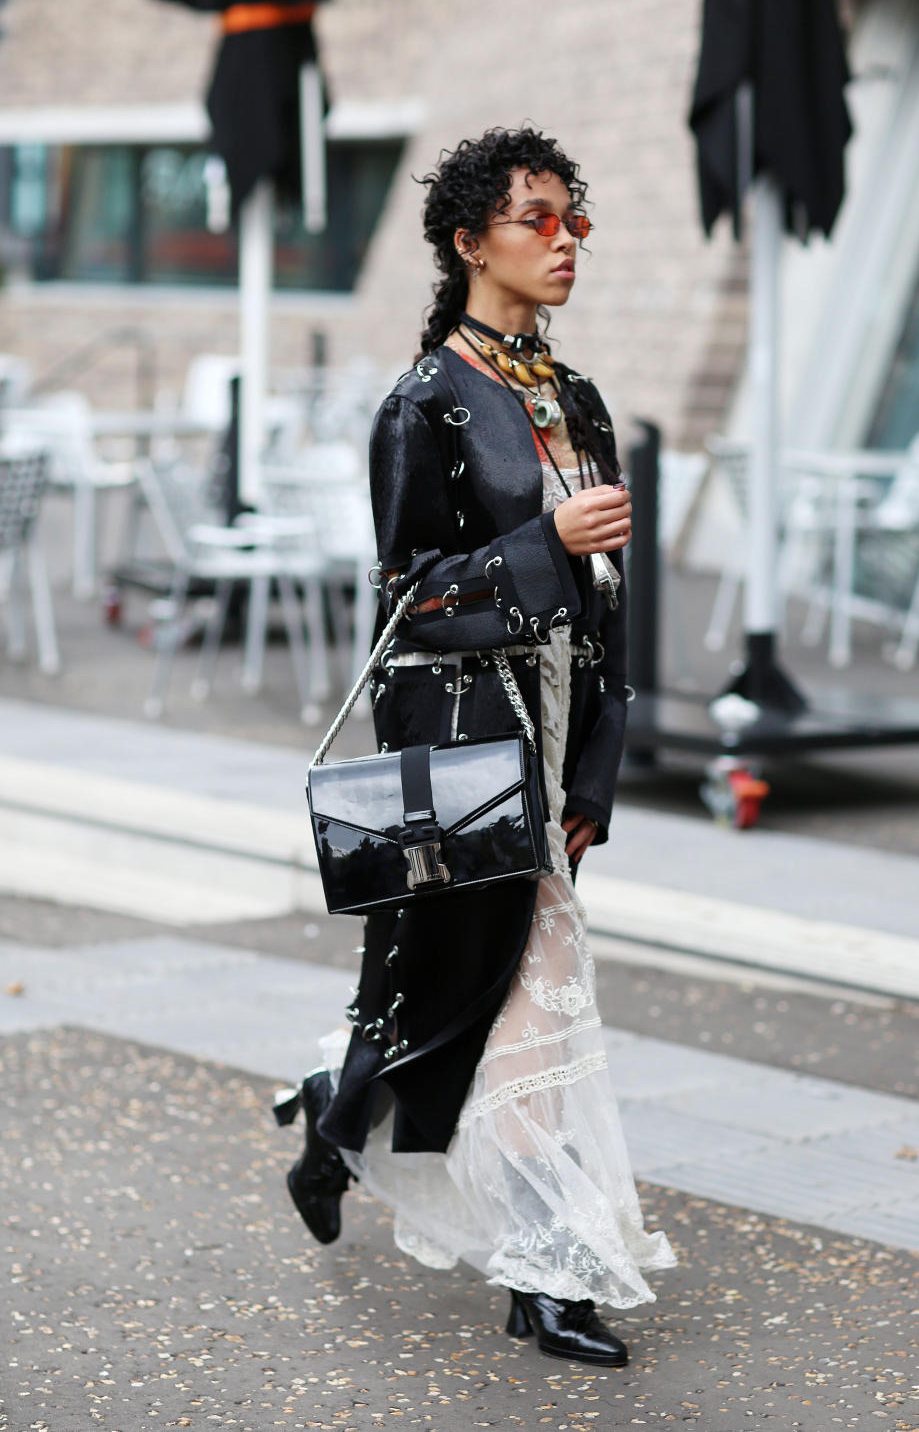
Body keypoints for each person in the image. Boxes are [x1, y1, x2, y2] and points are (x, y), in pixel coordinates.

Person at [275, 125, 676, 1368]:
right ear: (469, 241)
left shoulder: (574, 395)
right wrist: (543, 543)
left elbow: (607, 606)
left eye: (575, 220)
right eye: (538, 219)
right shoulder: (426, 402)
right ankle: (545, 1271)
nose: (566, 243)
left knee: (474, 989)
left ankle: (339, 1115)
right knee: (528, 999)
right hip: (467, 742)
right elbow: (408, 601)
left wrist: (598, 772)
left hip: (556, 740)